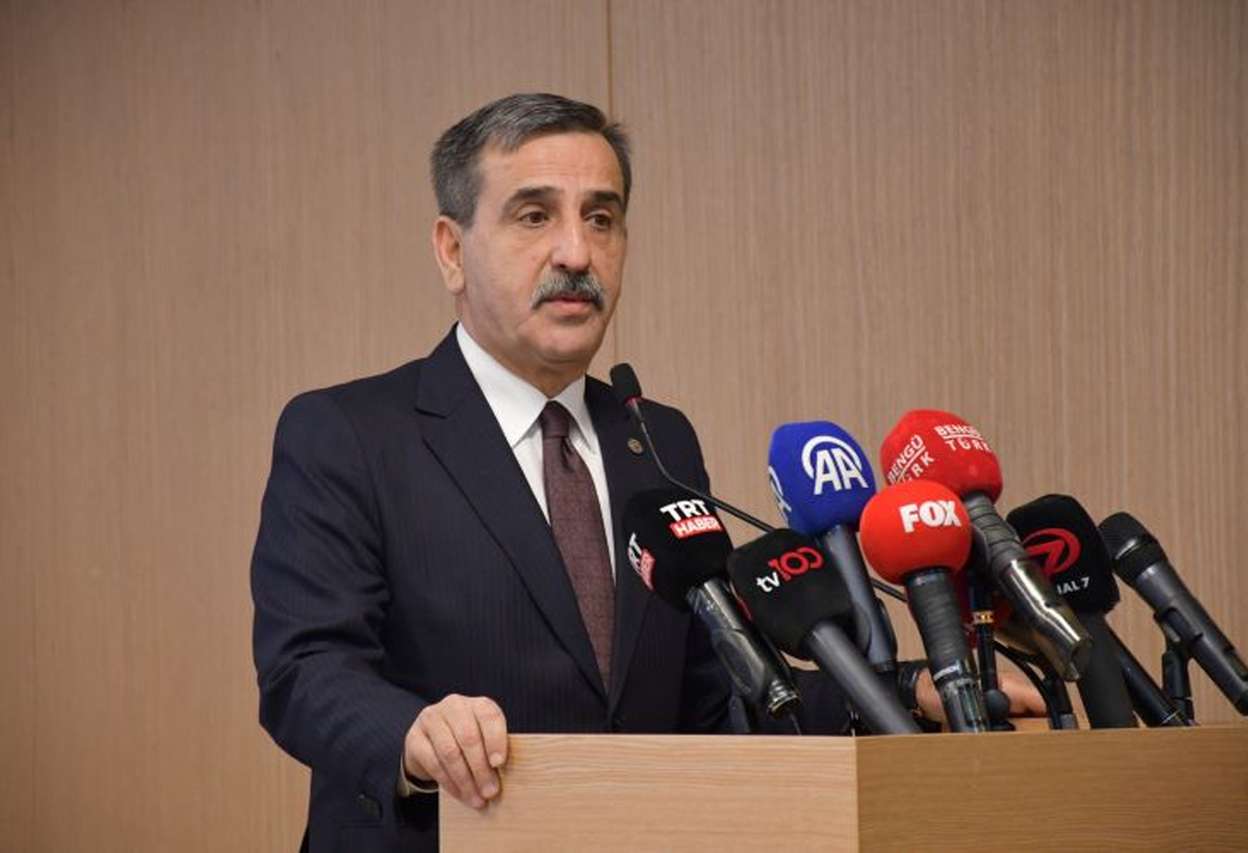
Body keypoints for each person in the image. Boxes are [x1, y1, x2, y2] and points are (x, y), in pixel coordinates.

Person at [251, 93, 1043, 853]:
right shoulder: (350, 434)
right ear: (452, 251)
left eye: (601, 218)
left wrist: (908, 692)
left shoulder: (655, 440)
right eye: (535, 216)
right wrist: (413, 734)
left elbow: (717, 691)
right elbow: (304, 669)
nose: (576, 253)